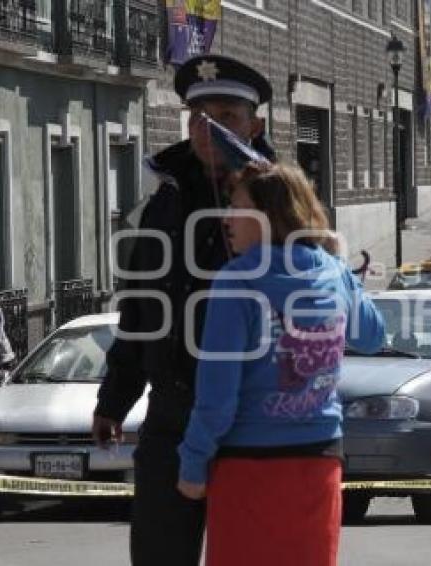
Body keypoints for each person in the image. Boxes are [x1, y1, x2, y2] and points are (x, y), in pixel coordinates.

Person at [92, 54, 275, 566]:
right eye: (199, 116)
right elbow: (140, 306)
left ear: (254, 125)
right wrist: (116, 397)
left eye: (226, 116)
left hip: (250, 421)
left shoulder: (280, 198)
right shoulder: (166, 196)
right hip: (171, 414)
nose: (208, 128)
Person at [176, 164, 385, 565]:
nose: (227, 219)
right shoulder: (333, 271)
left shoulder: (237, 280)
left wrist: (193, 462)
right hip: (319, 460)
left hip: (248, 465)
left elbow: (217, 393)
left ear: (270, 217)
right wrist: (340, 272)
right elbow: (373, 336)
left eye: (238, 208)